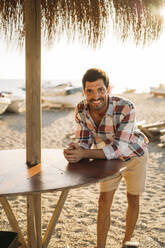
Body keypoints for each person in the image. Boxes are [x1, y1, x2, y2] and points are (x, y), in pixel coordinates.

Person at [63, 68, 148, 248]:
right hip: (107, 159)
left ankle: (127, 241)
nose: (95, 96)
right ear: (84, 92)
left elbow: (119, 148)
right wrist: (76, 150)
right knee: (103, 200)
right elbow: (85, 141)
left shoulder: (126, 107)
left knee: (133, 198)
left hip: (135, 155)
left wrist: (85, 153)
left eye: (100, 90)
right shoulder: (80, 109)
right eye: (90, 91)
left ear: (108, 89)